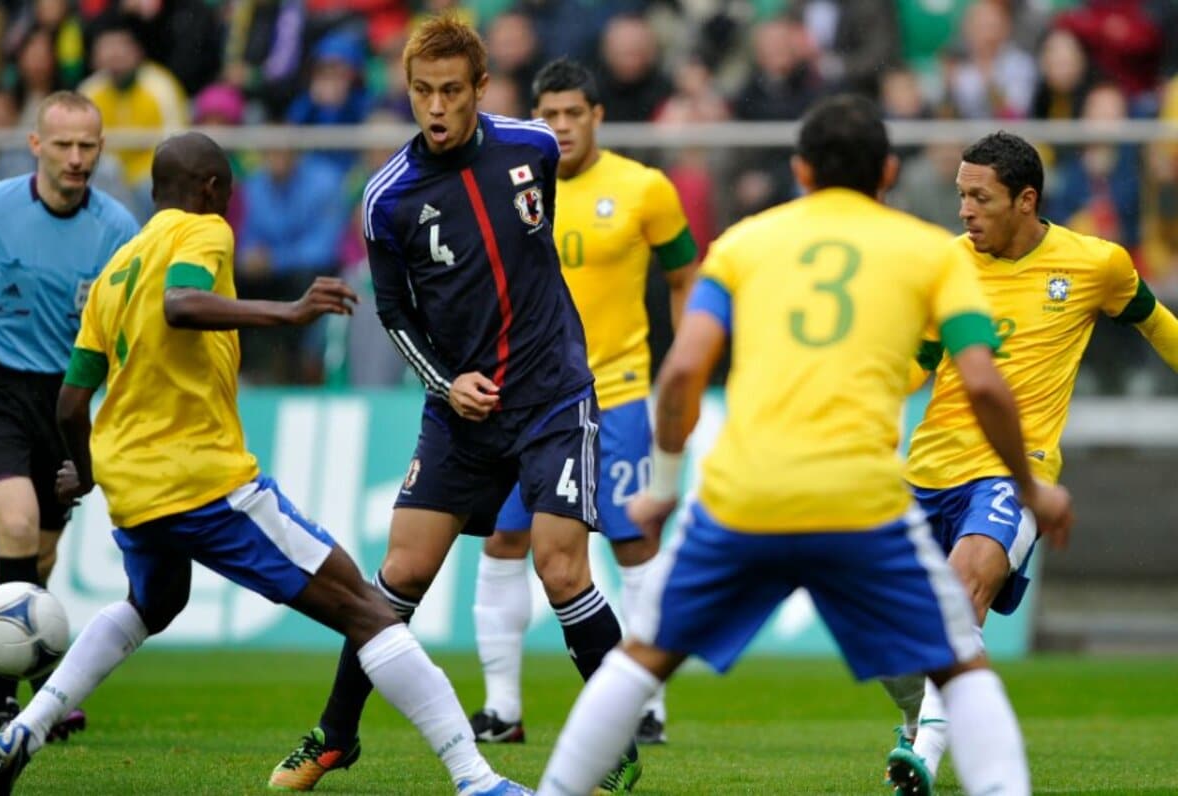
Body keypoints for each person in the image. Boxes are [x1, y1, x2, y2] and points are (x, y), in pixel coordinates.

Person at [535, 94, 1075, 796]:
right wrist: (1031, 487)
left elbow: (681, 377)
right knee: (959, 666)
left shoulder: (741, 245)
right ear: (887, 171)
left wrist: (665, 487)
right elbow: (985, 387)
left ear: (799, 168)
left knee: (642, 659)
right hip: (861, 499)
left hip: (744, 493)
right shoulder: (931, 256)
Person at [0, 132, 530, 796]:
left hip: (133, 487)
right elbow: (182, 305)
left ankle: (23, 729)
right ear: (211, 189)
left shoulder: (117, 268)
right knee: (368, 610)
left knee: (154, 602)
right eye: (229, 192)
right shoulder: (203, 234)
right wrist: (288, 311)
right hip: (200, 479)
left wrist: (88, 472)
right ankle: (476, 779)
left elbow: (72, 401)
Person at [268, 15, 641, 794]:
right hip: (459, 409)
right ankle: (336, 734)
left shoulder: (532, 148)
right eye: (421, 92)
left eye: (450, 91)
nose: (435, 107)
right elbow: (395, 316)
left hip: (552, 395)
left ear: (479, 89)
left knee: (561, 567)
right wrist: (447, 384)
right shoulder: (387, 199)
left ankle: (614, 740)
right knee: (398, 572)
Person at [882, 130, 1178, 795]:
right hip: (928, 468)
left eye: (978, 197)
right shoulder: (946, 265)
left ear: (1026, 200)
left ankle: (921, 760)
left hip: (1016, 471)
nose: (964, 211)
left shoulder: (1095, 264)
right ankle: (916, 721)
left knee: (964, 592)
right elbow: (917, 366)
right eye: (960, 196)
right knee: (888, 631)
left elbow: (1155, 321)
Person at [469, 57, 698, 748]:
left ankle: (646, 701)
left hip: (620, 393)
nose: (562, 126)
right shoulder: (509, 183)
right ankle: (502, 710)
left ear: (598, 116)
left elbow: (687, 275)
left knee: (633, 541)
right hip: (525, 398)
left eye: (574, 114)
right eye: (550, 115)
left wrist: (683, 359)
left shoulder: (645, 190)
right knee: (505, 539)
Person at [0, 90, 138, 741]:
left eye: (88, 146)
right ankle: (10, 700)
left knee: (40, 558)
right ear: (36, 145)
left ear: (100, 149)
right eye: (64, 145)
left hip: (67, 401)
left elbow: (130, 331)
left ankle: (19, 693)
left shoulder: (119, 230)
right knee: (14, 521)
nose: (77, 159)